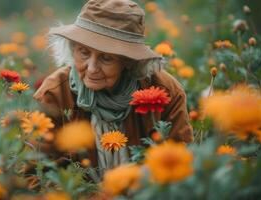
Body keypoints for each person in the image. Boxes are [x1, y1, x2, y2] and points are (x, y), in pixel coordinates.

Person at [34, 0, 193, 169]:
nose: (92, 68)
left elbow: (181, 162)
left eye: (106, 58)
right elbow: (34, 175)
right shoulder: (55, 94)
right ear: (73, 49)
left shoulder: (165, 91)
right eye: (84, 52)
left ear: (128, 62)